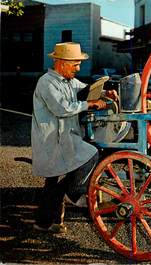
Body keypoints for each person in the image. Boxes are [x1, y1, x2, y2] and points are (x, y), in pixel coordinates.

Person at [31, 42, 118, 233]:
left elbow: (86, 90)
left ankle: (47, 222)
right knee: (90, 154)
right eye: (75, 64)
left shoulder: (68, 80)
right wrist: (90, 104)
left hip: (63, 138)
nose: (78, 68)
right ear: (61, 63)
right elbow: (62, 108)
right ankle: (75, 192)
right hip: (51, 141)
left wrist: (104, 92)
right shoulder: (46, 82)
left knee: (53, 183)